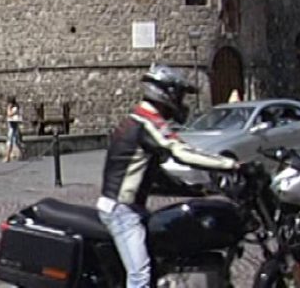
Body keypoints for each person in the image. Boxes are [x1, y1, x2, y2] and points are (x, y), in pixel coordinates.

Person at [97, 64, 239, 288]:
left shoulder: (137, 118)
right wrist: (230, 164)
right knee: (140, 275)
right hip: (122, 211)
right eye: (180, 95)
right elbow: (180, 151)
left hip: (129, 207)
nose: (181, 102)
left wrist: (194, 190)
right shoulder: (146, 123)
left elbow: (152, 174)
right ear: (166, 93)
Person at [4, 97, 23, 162]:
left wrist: (8, 108)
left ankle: (7, 157)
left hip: (13, 125)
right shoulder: (14, 108)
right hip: (12, 125)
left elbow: (9, 114)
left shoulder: (15, 108)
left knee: (10, 141)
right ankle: (22, 154)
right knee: (15, 141)